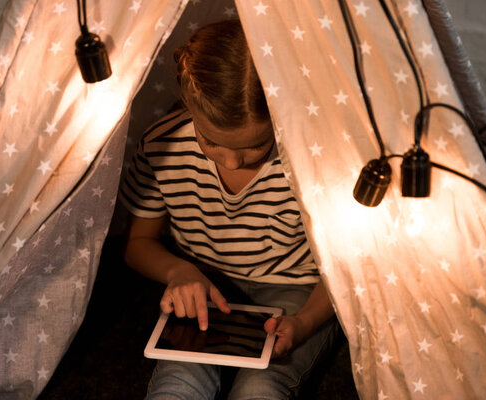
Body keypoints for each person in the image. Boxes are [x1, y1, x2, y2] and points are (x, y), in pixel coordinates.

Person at [120, 19, 339, 399]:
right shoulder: (162, 146)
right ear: (189, 108)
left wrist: (305, 322)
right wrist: (178, 270)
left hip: (299, 288)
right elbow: (138, 241)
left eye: (255, 146)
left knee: (262, 386)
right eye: (212, 142)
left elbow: (347, 265)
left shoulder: (313, 157)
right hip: (204, 285)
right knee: (178, 382)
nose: (233, 163)